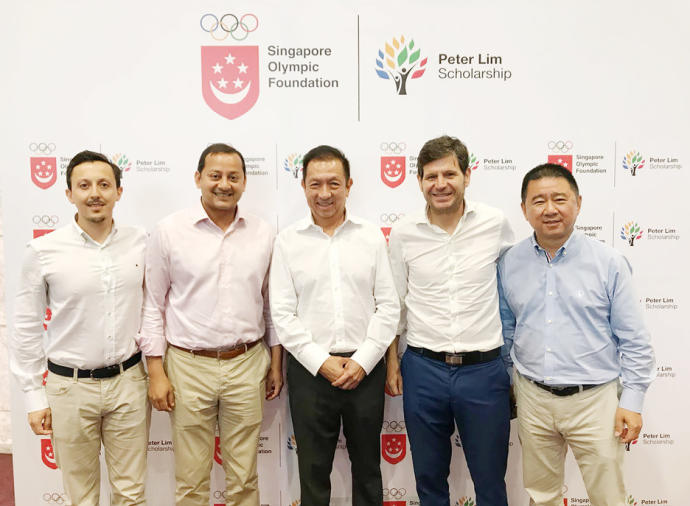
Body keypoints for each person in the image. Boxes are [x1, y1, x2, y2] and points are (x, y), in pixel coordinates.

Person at [498, 163, 656, 505]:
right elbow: (508, 330)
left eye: (560, 199)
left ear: (578, 203)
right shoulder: (510, 262)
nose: (550, 209)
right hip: (533, 398)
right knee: (542, 496)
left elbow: (634, 340)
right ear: (524, 209)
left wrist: (632, 402)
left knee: (608, 497)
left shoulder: (609, 263)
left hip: (595, 400)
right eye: (538, 201)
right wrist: (510, 382)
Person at [137, 143, 283, 506]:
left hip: (247, 363)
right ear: (198, 178)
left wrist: (276, 364)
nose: (224, 184)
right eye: (215, 175)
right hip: (188, 366)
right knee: (191, 480)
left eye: (233, 177)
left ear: (244, 182)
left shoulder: (263, 233)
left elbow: (271, 306)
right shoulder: (169, 231)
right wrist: (156, 372)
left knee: (244, 478)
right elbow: (153, 305)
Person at [10, 150, 149, 505]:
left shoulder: (141, 241)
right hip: (69, 389)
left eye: (104, 185)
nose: (95, 194)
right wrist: (33, 395)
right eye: (84, 186)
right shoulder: (42, 250)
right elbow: (25, 326)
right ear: (69, 193)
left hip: (129, 384)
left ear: (119, 191)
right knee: (82, 497)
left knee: (131, 494)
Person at [386, 135, 514, 506]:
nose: (440, 184)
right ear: (419, 181)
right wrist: (393, 363)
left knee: (491, 483)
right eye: (431, 176)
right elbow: (395, 304)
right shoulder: (404, 233)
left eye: (449, 174)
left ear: (467, 176)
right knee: (429, 482)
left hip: (483, 371)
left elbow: (513, 291)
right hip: (423, 369)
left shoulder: (494, 224)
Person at [270, 145, 400, 506]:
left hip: (365, 371)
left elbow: (388, 306)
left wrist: (363, 361)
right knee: (312, 474)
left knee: (368, 471)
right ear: (303, 186)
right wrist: (321, 362)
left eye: (333, 183)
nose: (324, 193)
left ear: (349, 185)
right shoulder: (287, 242)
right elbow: (282, 313)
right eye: (315, 184)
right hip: (310, 372)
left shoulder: (371, 236)